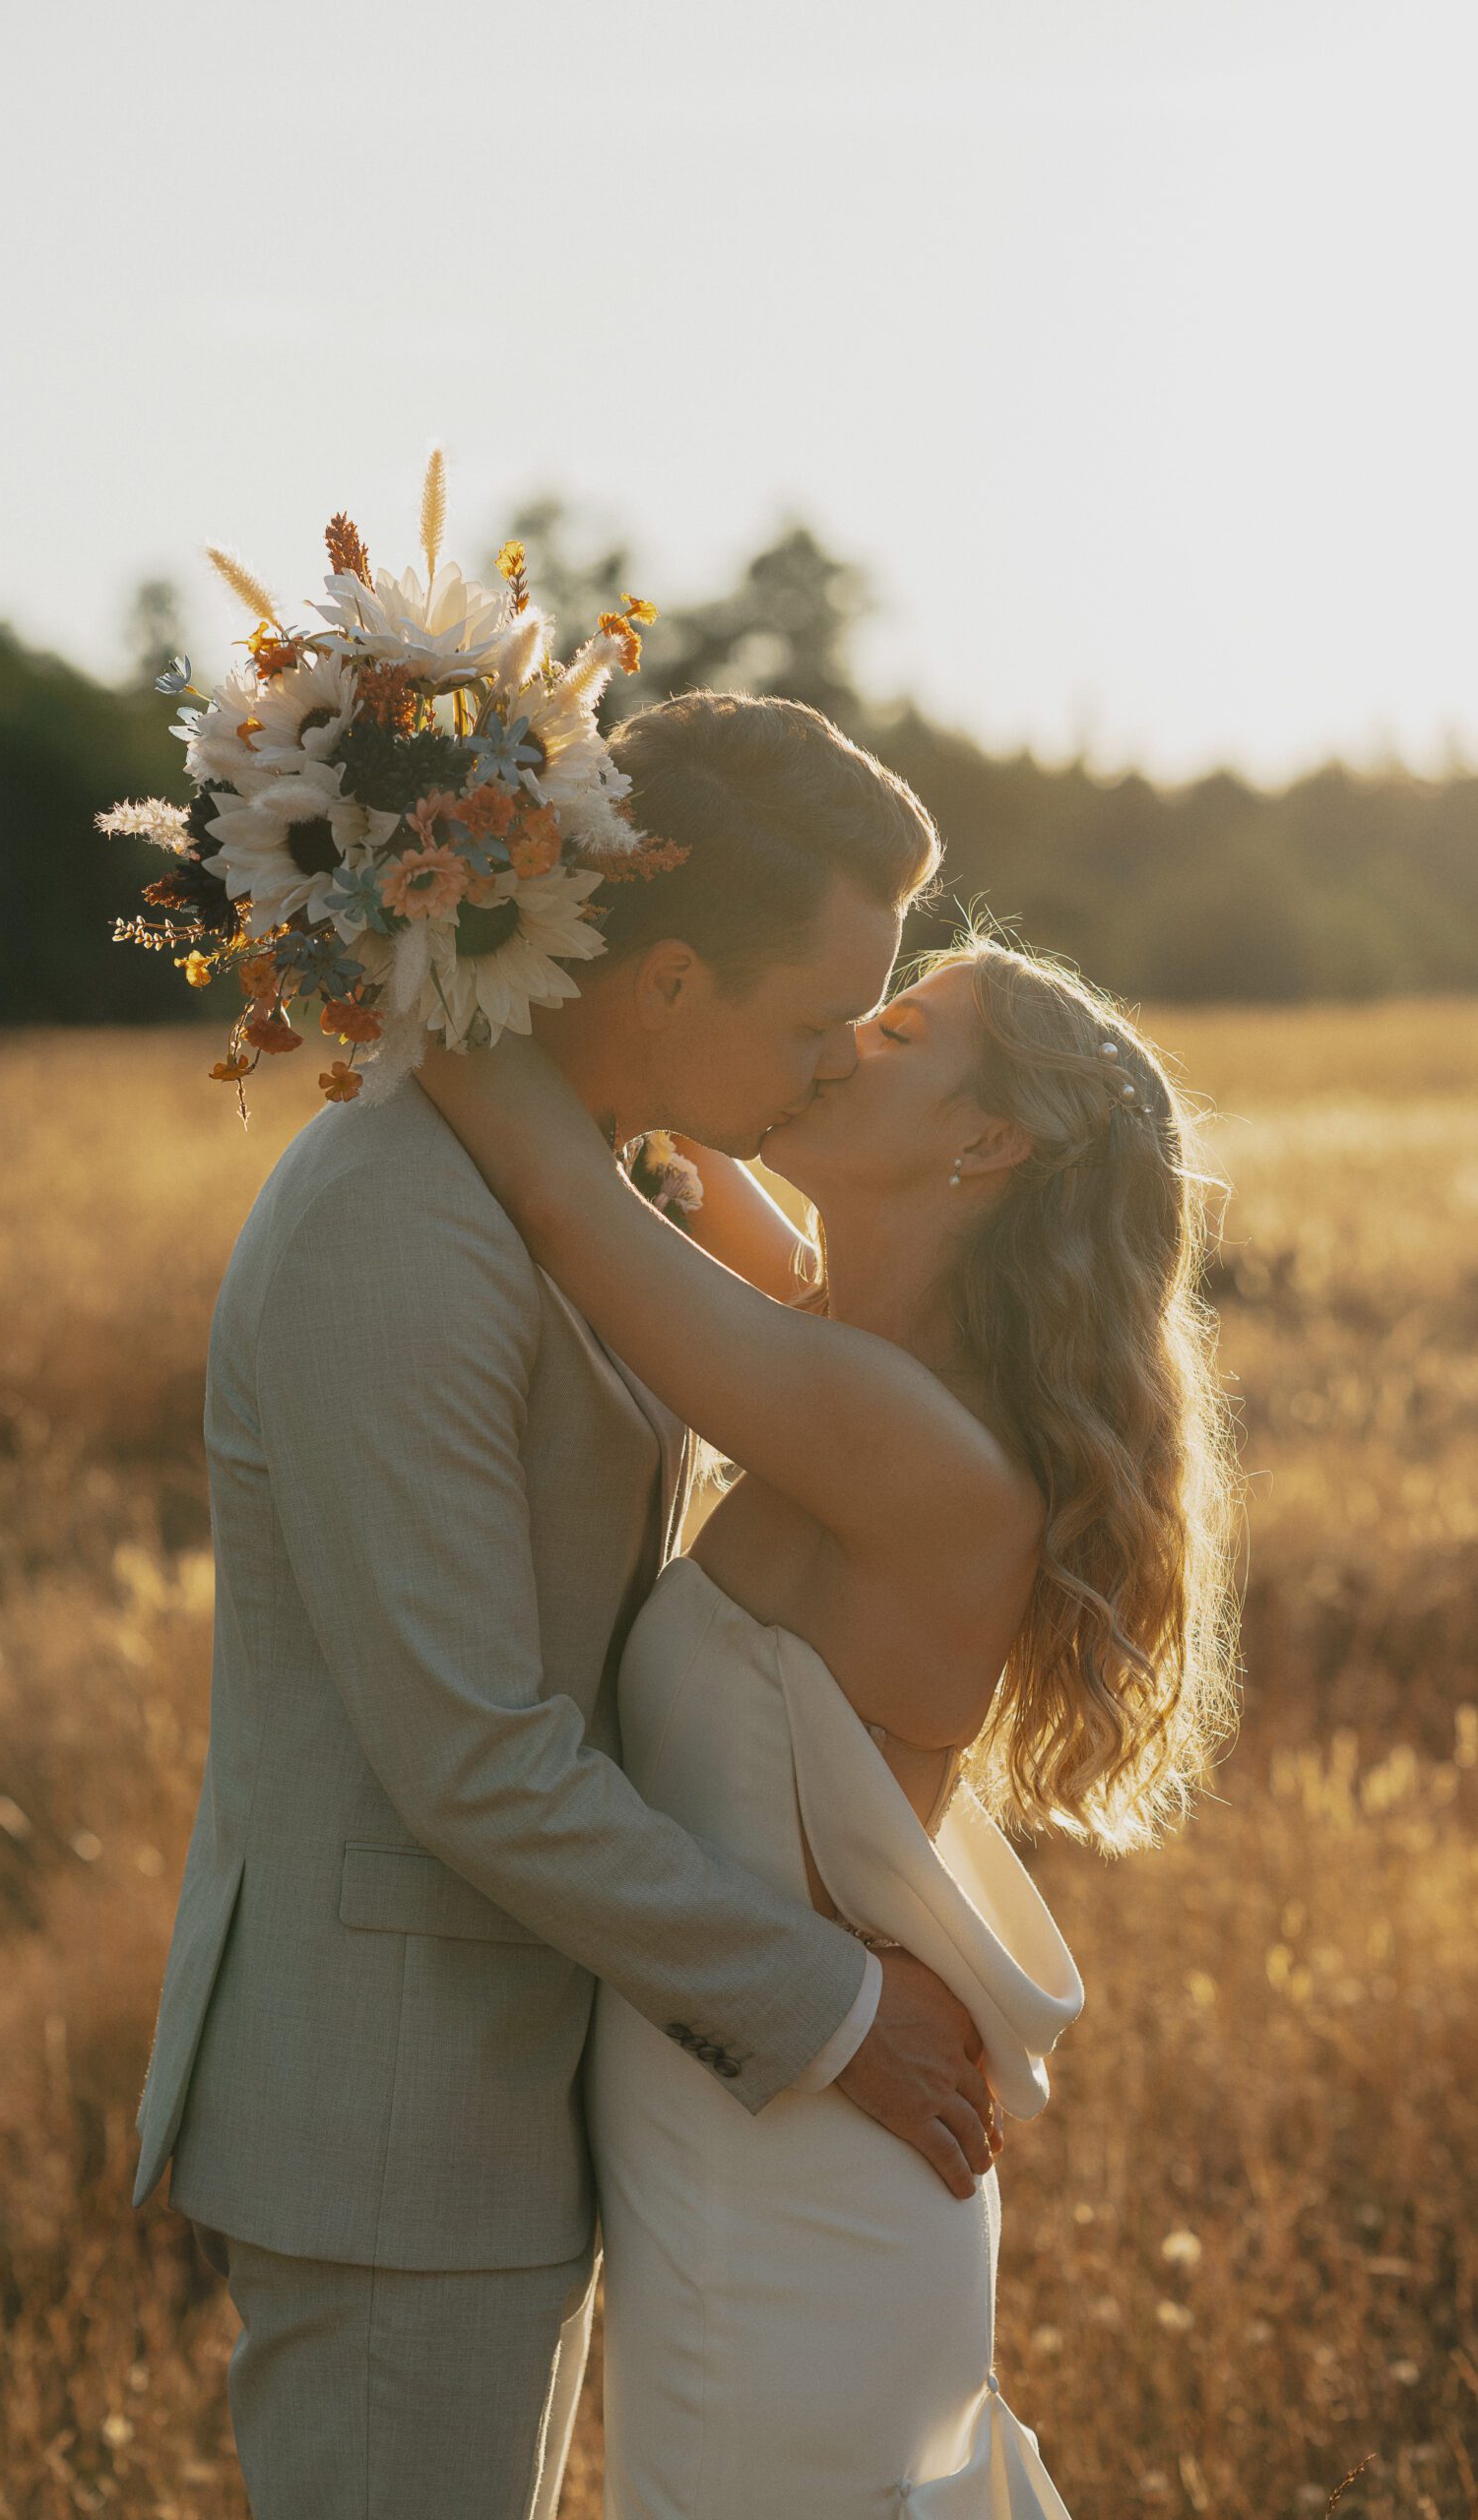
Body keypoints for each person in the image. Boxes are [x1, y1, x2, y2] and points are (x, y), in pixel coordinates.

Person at [131, 692, 1010, 2520]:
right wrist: (835, 2009)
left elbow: (844, 1373)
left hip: (507, 2103)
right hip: (393, 2128)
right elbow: (473, 1758)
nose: (836, 1066)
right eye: (812, 1021)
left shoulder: (579, 1187)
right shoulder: (398, 1219)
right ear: (669, 982)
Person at [418, 926, 1241, 2515]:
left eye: (906, 1025)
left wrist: (396, 905)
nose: (847, 1035)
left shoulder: (897, 1438)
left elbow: (554, 1178)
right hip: (764, 2126)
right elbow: (649, 1135)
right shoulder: (852, 1350)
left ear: (982, 1141)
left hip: (792, 2193)